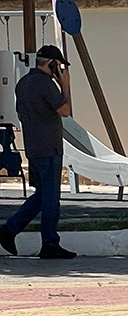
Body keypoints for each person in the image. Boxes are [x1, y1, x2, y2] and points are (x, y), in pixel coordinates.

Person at [0, 45, 75, 259]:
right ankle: (50, 243)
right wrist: (65, 85)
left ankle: (9, 230)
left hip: (33, 147)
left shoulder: (23, 83)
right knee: (51, 199)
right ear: (50, 63)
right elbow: (66, 111)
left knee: (42, 195)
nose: (60, 71)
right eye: (58, 66)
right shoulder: (45, 84)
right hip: (49, 147)